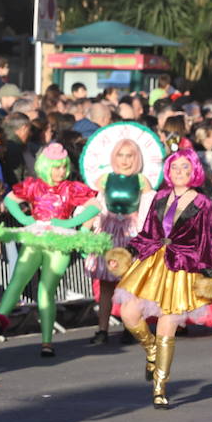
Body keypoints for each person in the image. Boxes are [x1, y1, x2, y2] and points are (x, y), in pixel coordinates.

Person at [0, 142, 107, 356]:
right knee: (19, 277)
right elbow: (11, 199)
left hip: (61, 240)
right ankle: (0, 318)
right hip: (36, 234)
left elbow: (95, 205)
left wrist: (67, 224)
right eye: (56, 166)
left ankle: (47, 342)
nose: (61, 171)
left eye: (63, 166)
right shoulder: (33, 185)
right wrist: (24, 218)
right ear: (46, 166)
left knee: (46, 289)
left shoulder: (70, 187)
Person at [115, 149, 212, 408]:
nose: (180, 173)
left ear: (194, 170)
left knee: (167, 325)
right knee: (129, 313)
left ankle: (159, 388)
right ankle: (151, 350)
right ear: (168, 171)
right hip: (151, 263)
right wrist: (130, 251)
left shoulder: (204, 203)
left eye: (186, 168)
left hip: (182, 266)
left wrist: (207, 273)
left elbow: (208, 240)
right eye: (175, 168)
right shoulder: (160, 197)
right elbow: (148, 231)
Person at [81, 131, 160, 344]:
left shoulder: (142, 180)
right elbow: (97, 204)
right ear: (114, 157)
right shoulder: (105, 179)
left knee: (129, 283)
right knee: (106, 285)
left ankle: (130, 326)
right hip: (108, 232)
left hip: (130, 234)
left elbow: (149, 208)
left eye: (130, 155)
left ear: (137, 158)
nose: (125, 160)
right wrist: (85, 228)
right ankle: (102, 330)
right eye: (121, 155)